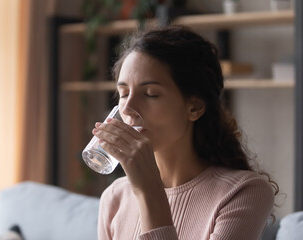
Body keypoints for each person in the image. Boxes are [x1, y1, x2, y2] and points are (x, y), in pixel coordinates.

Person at [92, 26, 278, 240]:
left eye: (151, 94)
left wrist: (150, 192)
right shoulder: (115, 197)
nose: (127, 108)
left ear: (194, 108)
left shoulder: (243, 193)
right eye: (124, 93)